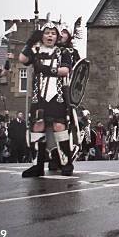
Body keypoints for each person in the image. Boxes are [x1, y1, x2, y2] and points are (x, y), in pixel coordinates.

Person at [19, 20, 74, 177]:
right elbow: (22, 59)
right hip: (39, 96)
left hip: (57, 96)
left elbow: (65, 70)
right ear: (42, 36)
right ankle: (37, 166)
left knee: (59, 126)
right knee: (37, 126)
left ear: (57, 37)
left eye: (53, 33)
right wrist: (30, 41)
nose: (50, 36)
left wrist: (46, 69)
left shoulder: (63, 52)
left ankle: (66, 163)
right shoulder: (35, 50)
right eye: (46, 33)